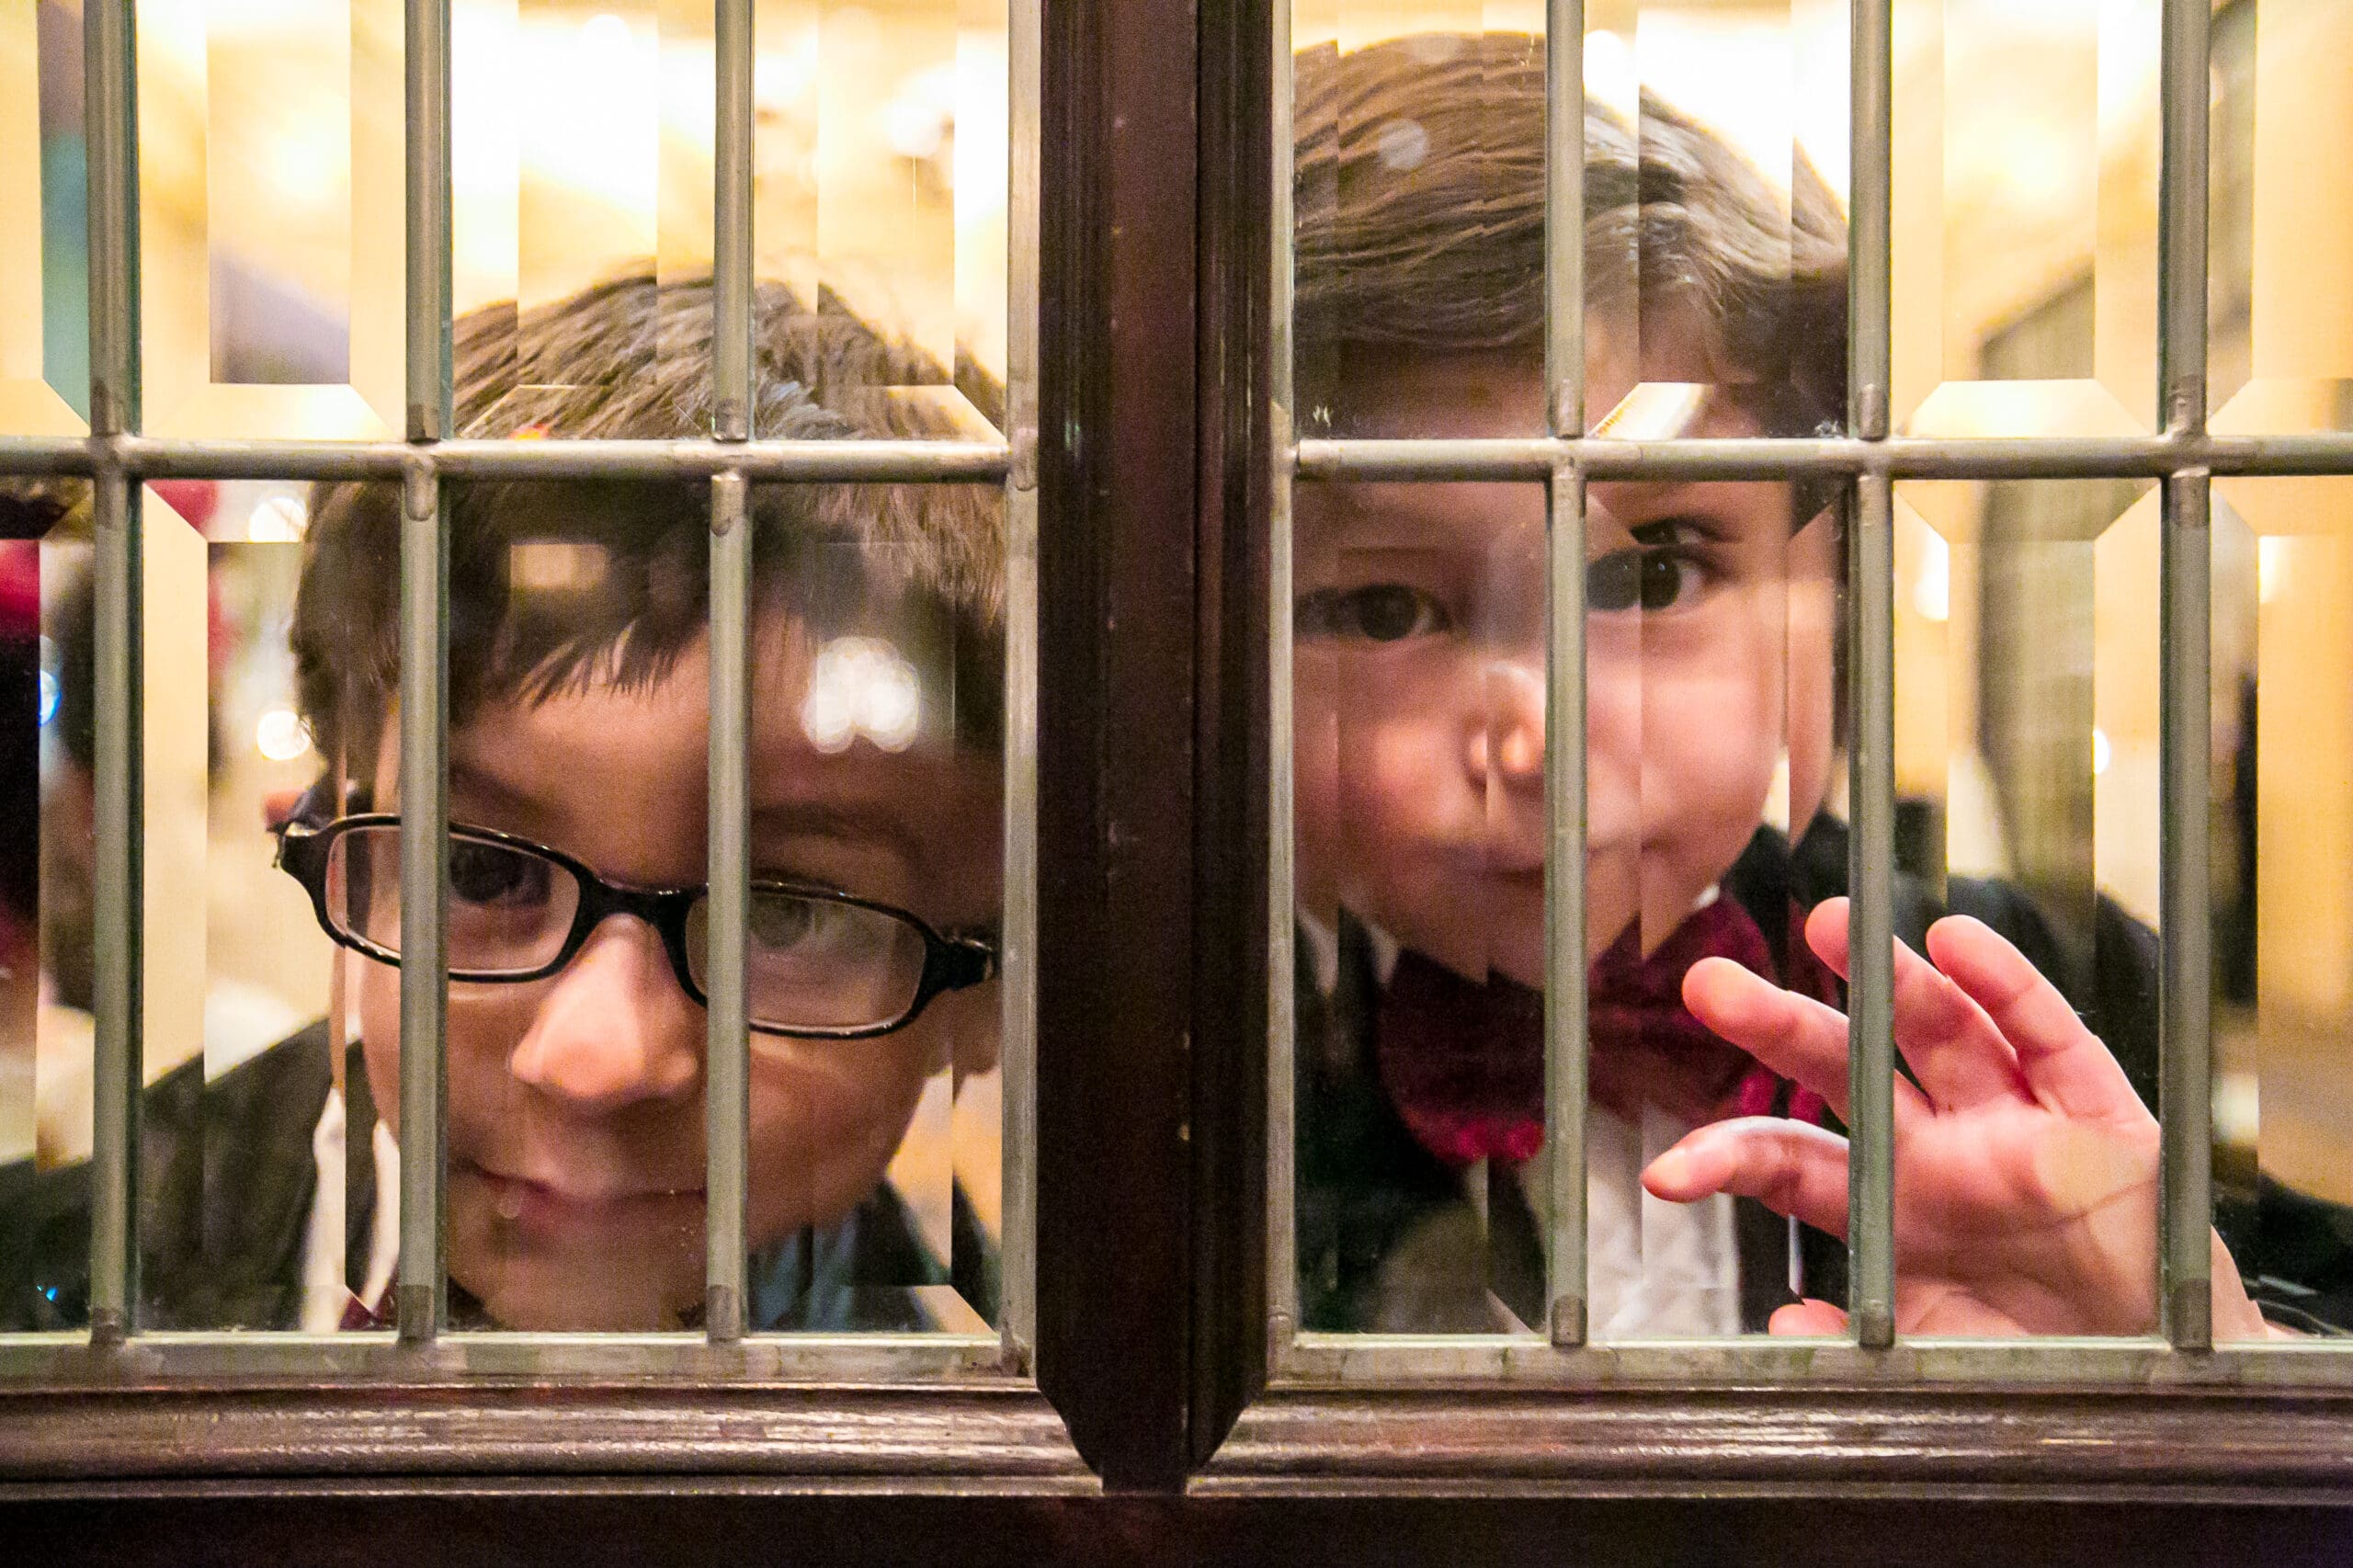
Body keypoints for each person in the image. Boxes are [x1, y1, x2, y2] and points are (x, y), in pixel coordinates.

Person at [1288, 31, 2348, 1338]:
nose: (1549, 738)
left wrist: (2209, 1355)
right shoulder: (1171, 1038)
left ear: (1827, 608)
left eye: (1651, 577)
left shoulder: (2046, 997)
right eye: (1389, 606)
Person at [0, 274, 1006, 1334]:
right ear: (352, 870)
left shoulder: (1026, 1420)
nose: (597, 1060)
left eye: (784, 909)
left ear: (982, 996)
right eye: (482, 868)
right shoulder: (41, 1308)